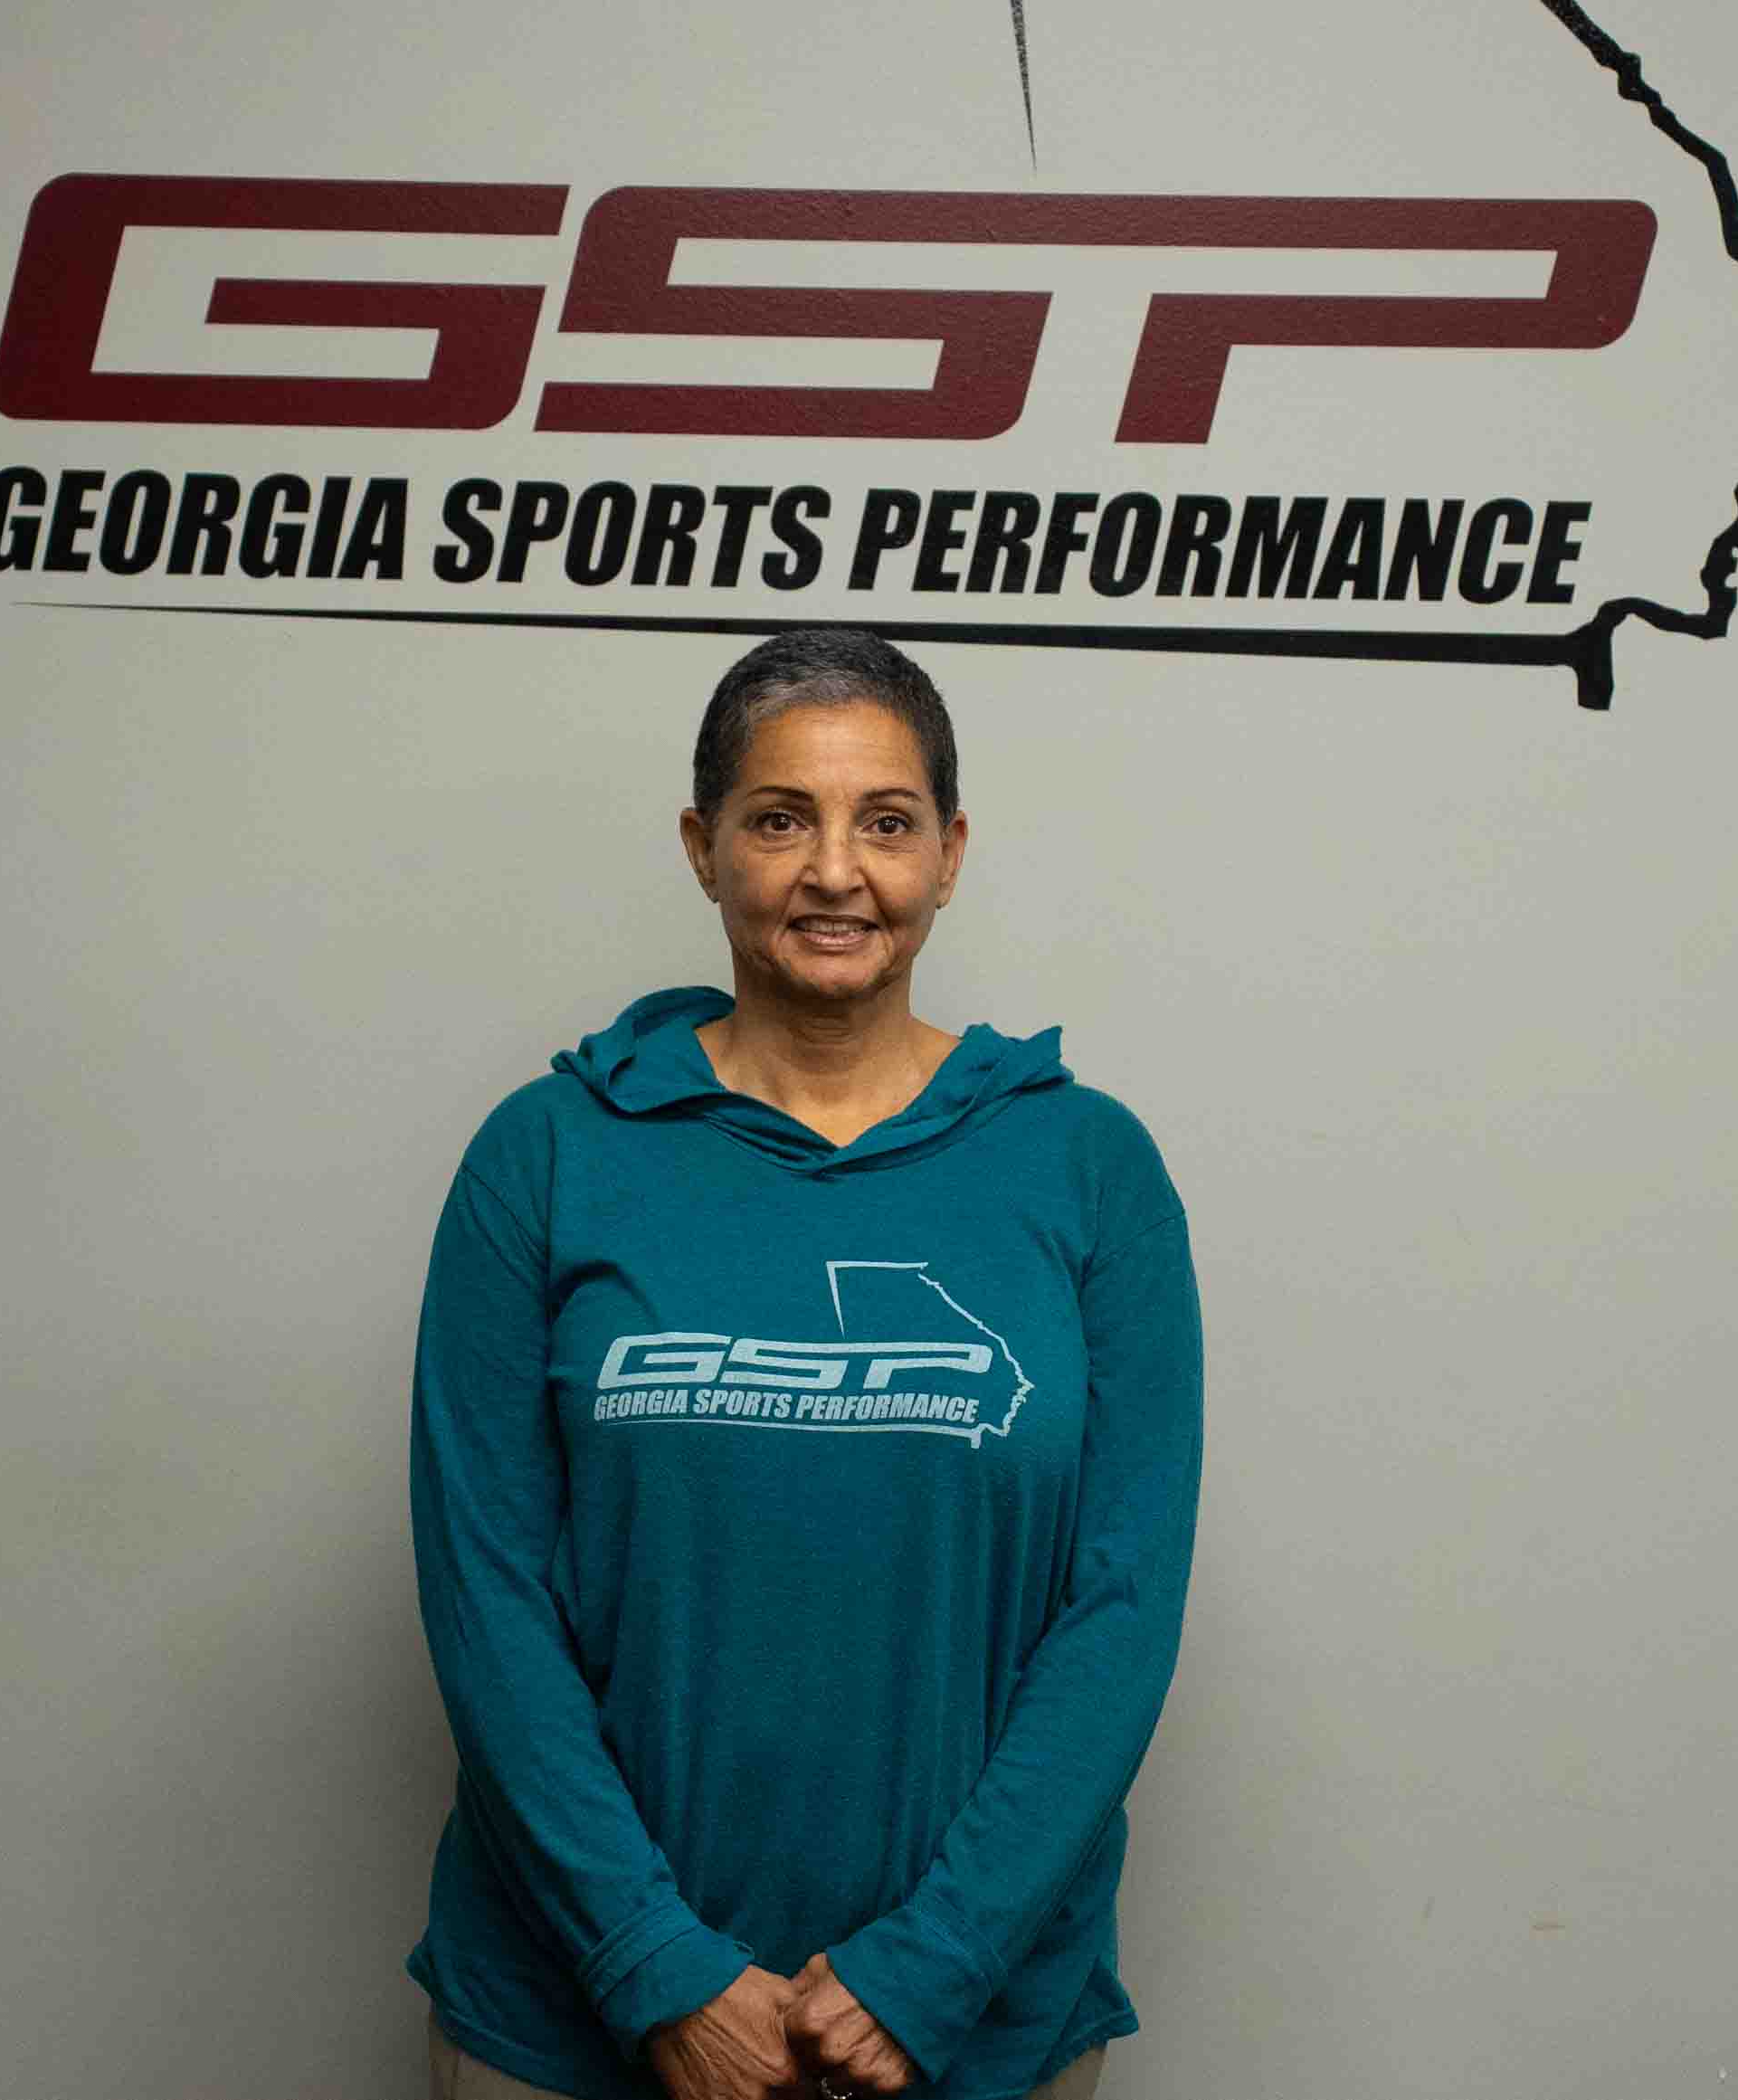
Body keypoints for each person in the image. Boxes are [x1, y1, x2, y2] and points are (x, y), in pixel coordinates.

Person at [407, 629, 1204, 2100]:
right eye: (780, 819)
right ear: (702, 847)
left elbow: (1121, 1608)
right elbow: (485, 1596)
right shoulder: (549, 1155)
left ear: (948, 853)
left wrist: (932, 1964)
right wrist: (655, 1964)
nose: (835, 870)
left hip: (968, 2020)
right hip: (574, 2010)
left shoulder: (1087, 1167)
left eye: (885, 823)